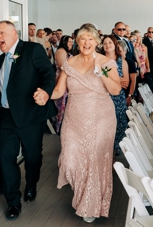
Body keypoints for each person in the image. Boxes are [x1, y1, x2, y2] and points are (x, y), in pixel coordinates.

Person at [47, 25, 121, 223]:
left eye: (90, 39)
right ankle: (82, 194)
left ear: (97, 41)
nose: (86, 43)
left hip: (101, 119)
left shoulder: (107, 62)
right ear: (77, 42)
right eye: (82, 39)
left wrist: (103, 74)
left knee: (95, 163)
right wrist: (45, 95)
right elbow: (58, 91)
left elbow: (115, 91)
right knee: (70, 159)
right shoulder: (69, 63)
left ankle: (90, 203)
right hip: (74, 120)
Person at [0, 20, 57, 219]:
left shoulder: (32, 50)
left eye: (2, 33)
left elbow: (48, 73)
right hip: (7, 117)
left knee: (32, 157)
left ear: (14, 33)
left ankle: (31, 184)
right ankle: (13, 202)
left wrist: (46, 92)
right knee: (5, 156)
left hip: (31, 114)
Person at [103, 35, 131, 153]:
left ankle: (114, 154)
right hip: (104, 97)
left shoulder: (122, 61)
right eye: (105, 43)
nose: (107, 45)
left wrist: (108, 77)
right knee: (106, 127)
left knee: (119, 125)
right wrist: (116, 80)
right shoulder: (101, 60)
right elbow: (100, 80)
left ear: (114, 44)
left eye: (110, 42)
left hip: (118, 98)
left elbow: (126, 82)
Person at [53, 35, 75, 132]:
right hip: (62, 79)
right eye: (69, 42)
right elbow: (63, 67)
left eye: (72, 42)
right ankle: (59, 126)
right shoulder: (61, 51)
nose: (71, 43)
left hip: (69, 80)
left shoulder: (68, 52)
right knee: (62, 104)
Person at [112, 22, 138, 105]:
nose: (122, 31)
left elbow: (133, 81)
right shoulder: (113, 40)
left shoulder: (127, 41)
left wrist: (130, 95)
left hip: (126, 91)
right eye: (119, 29)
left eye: (124, 29)